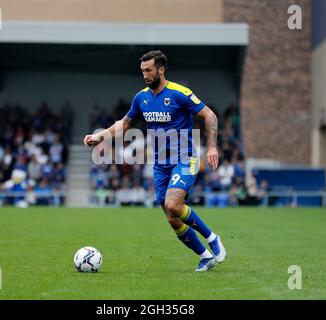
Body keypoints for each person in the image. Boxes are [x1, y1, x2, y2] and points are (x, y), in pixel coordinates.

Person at [84, 50, 226, 272]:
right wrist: (98, 136)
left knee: (173, 204)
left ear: (161, 69)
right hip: (160, 165)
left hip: (185, 158)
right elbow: (125, 124)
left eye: (149, 70)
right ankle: (205, 257)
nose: (145, 75)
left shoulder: (180, 93)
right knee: (172, 218)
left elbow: (210, 115)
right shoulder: (141, 98)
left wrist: (211, 147)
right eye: (142, 71)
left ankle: (212, 238)